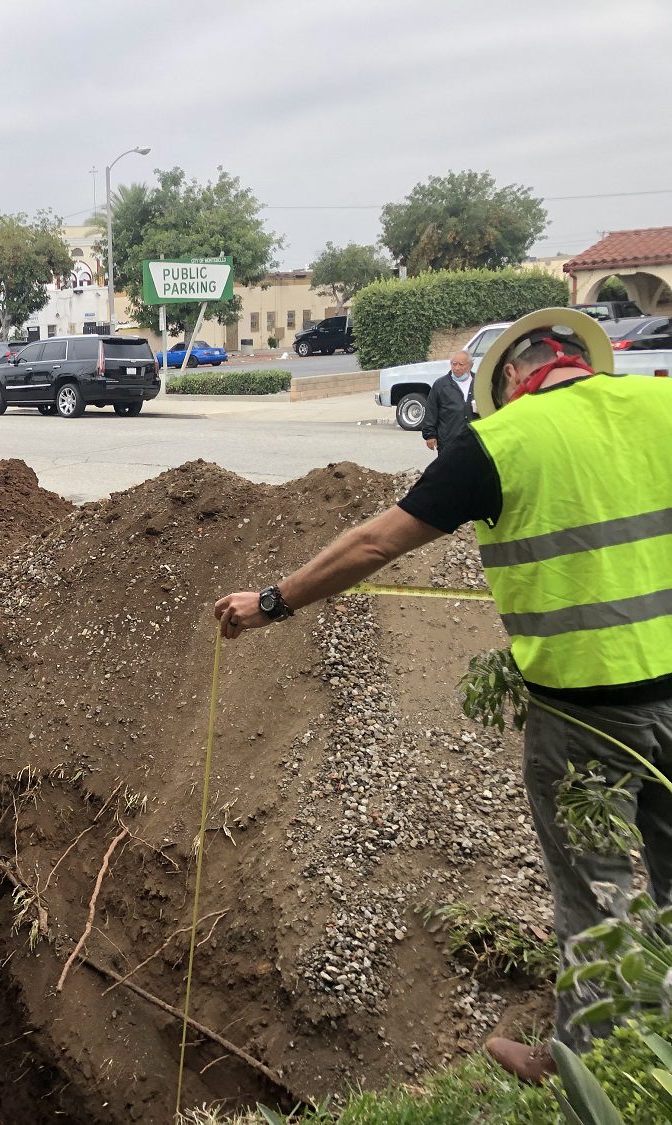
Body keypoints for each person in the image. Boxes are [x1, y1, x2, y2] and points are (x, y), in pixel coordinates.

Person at [212, 308, 672, 1084]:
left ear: (515, 380)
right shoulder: (662, 403)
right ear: (580, 361)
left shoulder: (501, 442)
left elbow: (375, 542)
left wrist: (271, 601)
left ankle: (587, 1067)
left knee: (598, 891)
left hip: (589, 712)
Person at [421, 350, 477, 453]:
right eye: (454, 364)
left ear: (470, 366)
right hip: (448, 440)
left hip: (474, 440)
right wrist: (430, 435)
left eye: (461, 364)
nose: (456, 368)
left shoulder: (479, 382)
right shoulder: (440, 385)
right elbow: (431, 410)